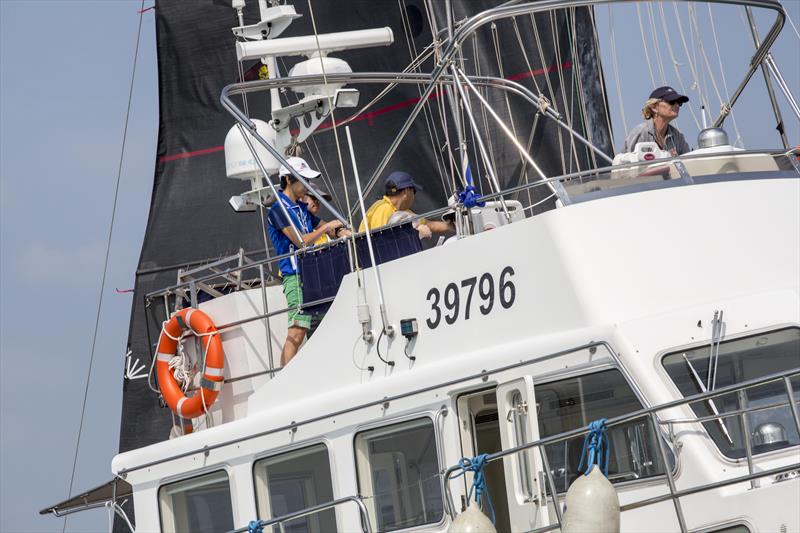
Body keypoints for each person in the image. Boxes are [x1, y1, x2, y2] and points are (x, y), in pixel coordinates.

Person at [267, 157, 343, 366]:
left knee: (325, 327)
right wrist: (327, 229)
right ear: (289, 180)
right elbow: (301, 242)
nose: (308, 186)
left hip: (314, 274)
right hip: (295, 276)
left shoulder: (301, 207)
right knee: (297, 332)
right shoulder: (277, 209)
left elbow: (325, 224)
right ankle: (285, 382)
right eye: (304, 181)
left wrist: (341, 230)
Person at [358, 170, 453, 239]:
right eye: (414, 191)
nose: (414, 196)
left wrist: (452, 225)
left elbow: (430, 224)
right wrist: (418, 233)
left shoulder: (404, 212)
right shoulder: (383, 209)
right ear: (406, 191)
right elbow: (380, 242)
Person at [621, 86, 691, 156]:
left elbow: (689, 161)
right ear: (654, 107)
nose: (677, 105)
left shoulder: (677, 136)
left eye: (679, 103)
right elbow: (629, 163)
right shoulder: (641, 133)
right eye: (671, 102)